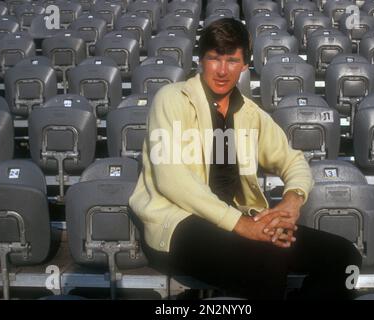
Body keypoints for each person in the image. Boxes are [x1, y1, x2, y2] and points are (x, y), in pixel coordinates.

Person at [130, 18, 362, 300]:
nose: (223, 70)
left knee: (344, 257)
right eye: (215, 59)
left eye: (232, 60)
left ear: (244, 66)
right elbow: (171, 179)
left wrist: (292, 199)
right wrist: (243, 226)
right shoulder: (172, 99)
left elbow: (293, 161)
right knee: (268, 260)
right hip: (178, 224)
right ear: (201, 60)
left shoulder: (250, 114)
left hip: (237, 223)